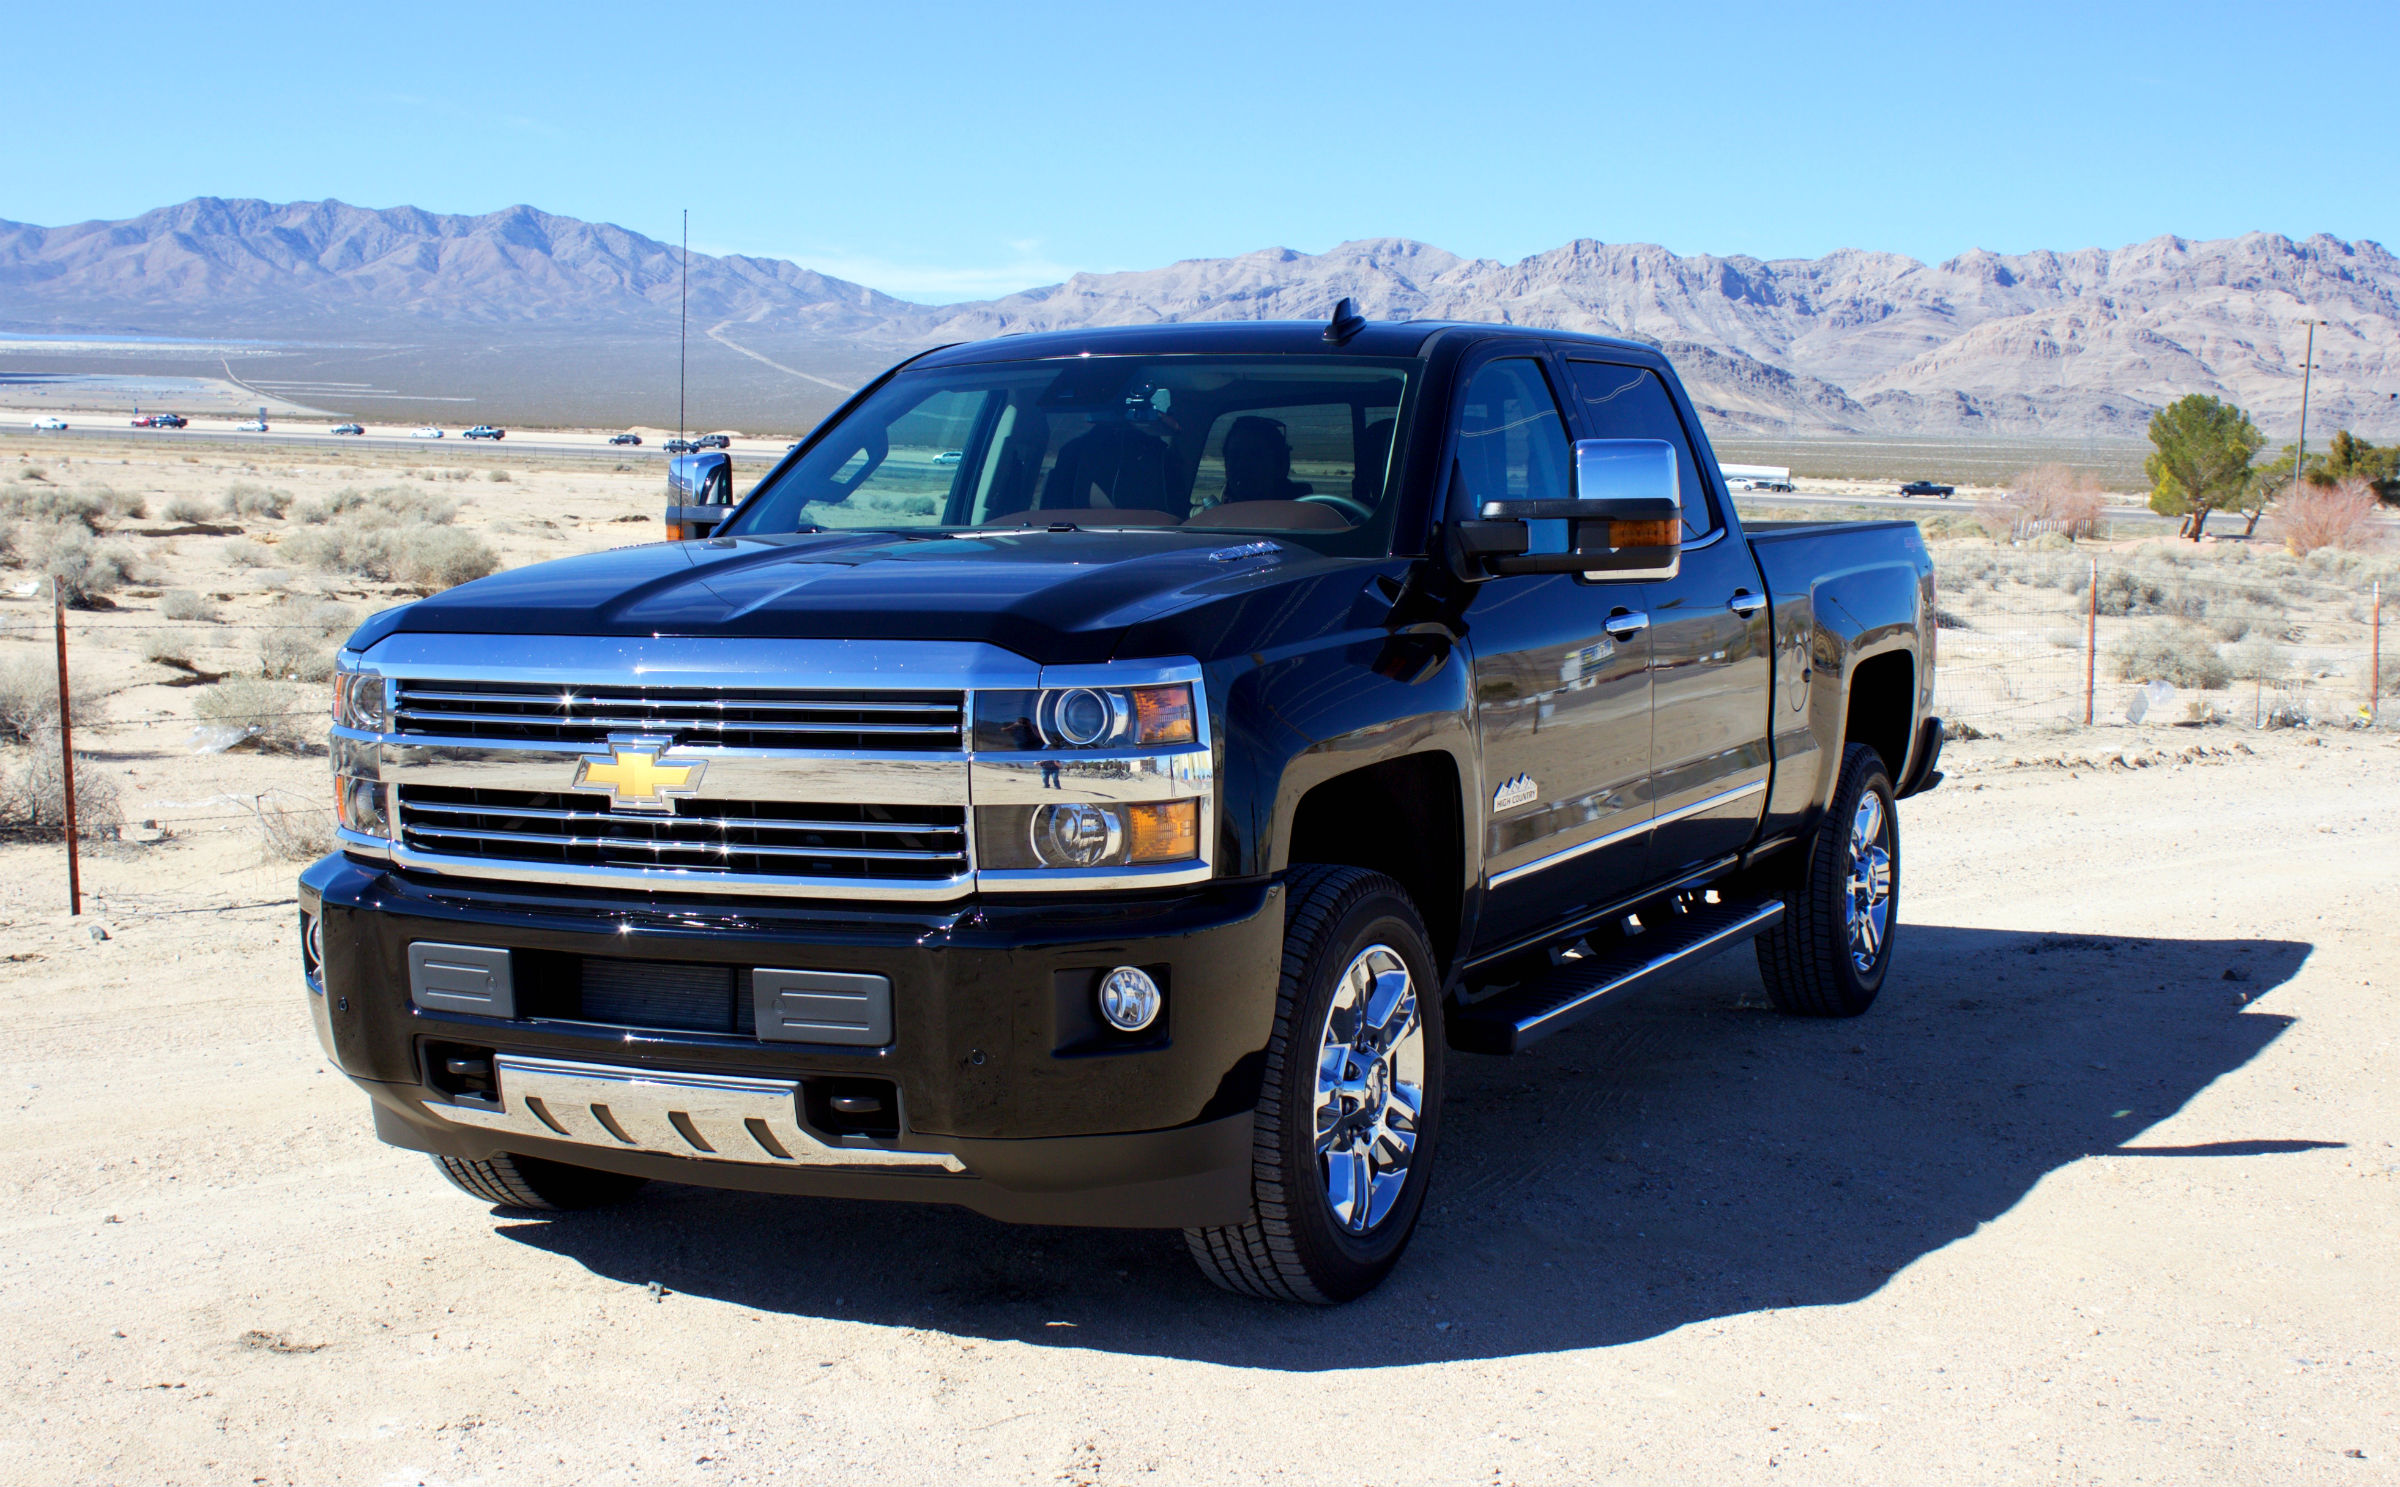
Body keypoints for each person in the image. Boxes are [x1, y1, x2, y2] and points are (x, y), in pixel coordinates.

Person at [1218, 416, 1313, 505]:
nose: (1241, 466)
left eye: (1253, 457)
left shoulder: (1311, 516)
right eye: (1234, 456)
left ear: (1280, 464)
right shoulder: (1211, 517)